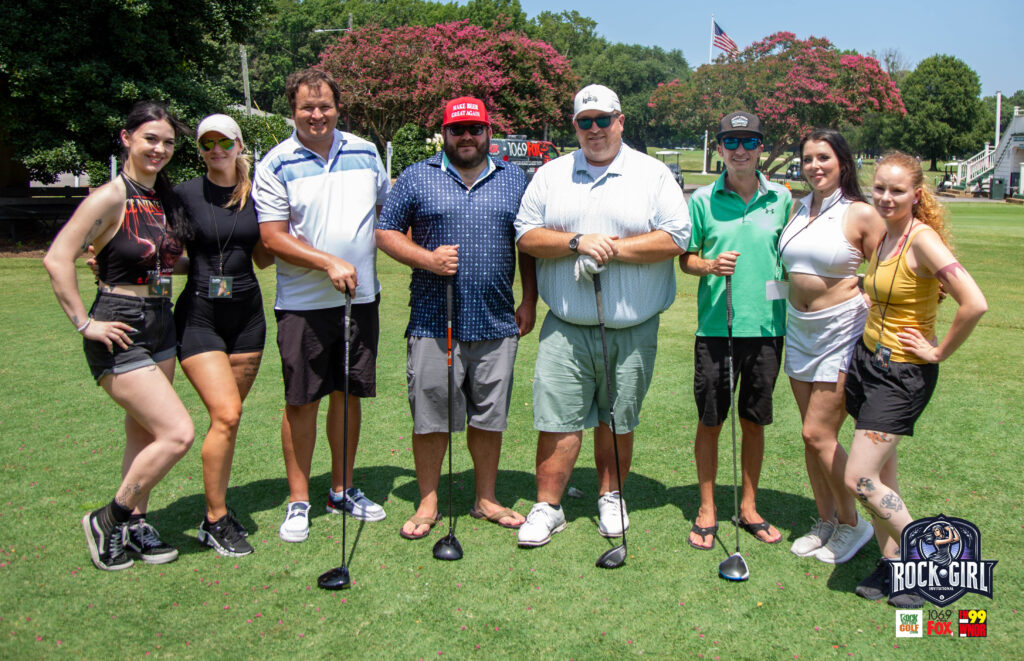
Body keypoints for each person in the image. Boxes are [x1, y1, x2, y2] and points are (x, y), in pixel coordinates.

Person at [513, 84, 690, 547]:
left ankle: (611, 496)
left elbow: (676, 237)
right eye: (585, 122)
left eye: (603, 120)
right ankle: (548, 506)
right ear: (575, 126)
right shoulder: (551, 174)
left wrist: (609, 249)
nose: (595, 129)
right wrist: (576, 242)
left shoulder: (652, 174)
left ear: (620, 121)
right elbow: (526, 235)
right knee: (557, 418)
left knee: (618, 418)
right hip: (565, 325)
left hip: (632, 327)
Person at [376, 96, 537, 539]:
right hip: (434, 321)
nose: (466, 137)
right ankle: (428, 502)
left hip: (496, 319)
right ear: (444, 133)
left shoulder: (513, 178)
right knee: (431, 417)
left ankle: (486, 499)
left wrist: (530, 300)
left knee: (489, 417)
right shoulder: (417, 175)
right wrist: (427, 259)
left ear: (488, 132)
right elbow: (386, 232)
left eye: (475, 129)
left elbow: (527, 244)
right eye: (457, 130)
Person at [44, 101, 192, 571]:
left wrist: (214, 267)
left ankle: (134, 525)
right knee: (177, 433)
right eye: (151, 139)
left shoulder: (162, 198)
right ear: (127, 138)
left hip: (160, 318)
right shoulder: (110, 196)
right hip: (119, 324)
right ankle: (108, 518)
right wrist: (85, 324)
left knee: (144, 431)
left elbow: (164, 263)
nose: (159, 149)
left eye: (168, 142)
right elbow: (56, 258)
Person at [253, 68, 391, 542]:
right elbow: (272, 238)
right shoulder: (276, 163)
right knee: (302, 400)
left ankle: (342, 489)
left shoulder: (366, 152)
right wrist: (327, 261)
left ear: (338, 107)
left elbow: (382, 214)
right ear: (292, 111)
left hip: (360, 297)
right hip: (302, 304)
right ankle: (299, 500)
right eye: (306, 107)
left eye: (325, 106)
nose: (317, 115)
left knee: (348, 395)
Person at [845, 151, 986, 607]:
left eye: (897, 190)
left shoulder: (922, 239)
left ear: (916, 194)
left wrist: (938, 351)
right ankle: (892, 565)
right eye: (880, 188)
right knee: (882, 475)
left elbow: (974, 302)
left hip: (902, 374)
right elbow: (895, 290)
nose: (886, 197)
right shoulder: (887, 234)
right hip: (869, 362)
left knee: (859, 478)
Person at [680, 111, 790, 550]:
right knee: (711, 421)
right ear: (720, 148)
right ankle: (707, 508)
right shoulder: (702, 200)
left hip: (767, 327)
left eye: (748, 142)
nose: (739, 150)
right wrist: (709, 265)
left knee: (754, 422)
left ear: (761, 147)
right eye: (731, 141)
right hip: (715, 328)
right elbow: (686, 258)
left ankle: (749, 506)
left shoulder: (782, 198)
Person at [780, 129, 883, 563]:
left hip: (841, 331)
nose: (814, 166)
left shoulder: (861, 213)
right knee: (810, 439)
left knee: (818, 433)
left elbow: (887, 272)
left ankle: (854, 524)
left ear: (843, 161)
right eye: (807, 158)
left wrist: (870, 301)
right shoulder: (798, 206)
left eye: (823, 157)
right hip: (799, 329)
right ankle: (825, 521)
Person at [174, 114, 273, 557]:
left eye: (224, 142)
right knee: (227, 414)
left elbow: (265, 257)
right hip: (199, 316)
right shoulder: (184, 194)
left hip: (248, 319)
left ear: (239, 145)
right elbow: (165, 252)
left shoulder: (259, 193)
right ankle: (215, 520)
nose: (216, 150)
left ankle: (216, 508)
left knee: (226, 421)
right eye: (206, 143)